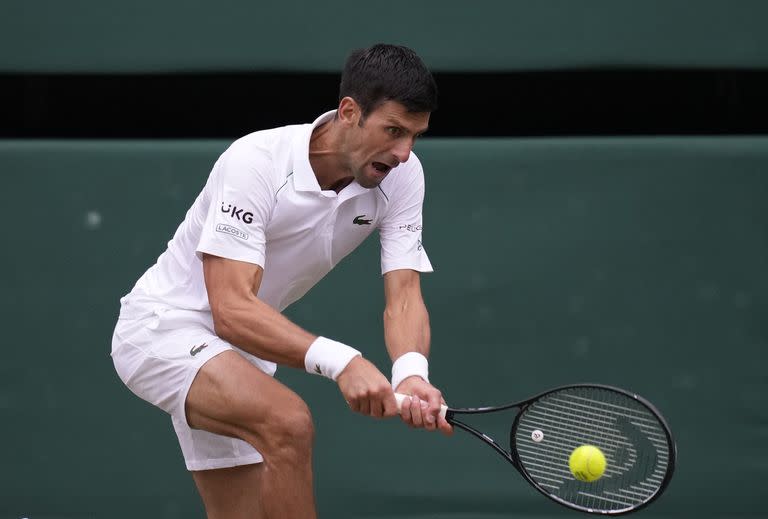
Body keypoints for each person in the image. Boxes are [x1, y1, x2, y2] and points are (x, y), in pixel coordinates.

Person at [110, 43, 451, 519]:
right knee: (288, 423)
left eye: (415, 136)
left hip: (241, 351)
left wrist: (411, 371)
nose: (402, 152)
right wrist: (343, 362)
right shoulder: (257, 160)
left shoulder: (403, 176)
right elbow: (229, 308)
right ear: (349, 112)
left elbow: (405, 294)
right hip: (162, 329)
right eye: (393, 130)